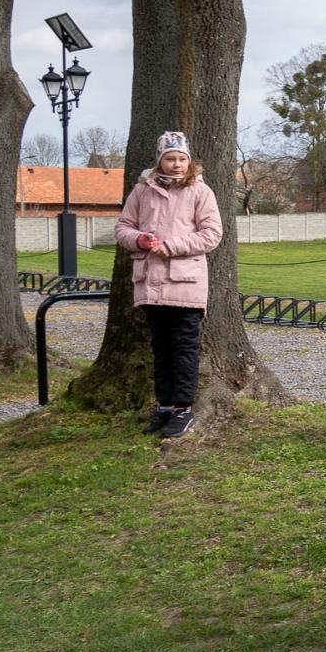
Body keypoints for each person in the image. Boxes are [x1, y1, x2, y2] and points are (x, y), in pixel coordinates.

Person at [113, 130, 222, 439]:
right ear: (159, 161)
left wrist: (171, 245)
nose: (176, 165)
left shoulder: (201, 192)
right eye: (170, 159)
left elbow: (212, 234)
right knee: (159, 348)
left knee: (184, 348)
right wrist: (139, 239)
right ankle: (164, 405)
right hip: (150, 284)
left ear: (190, 162)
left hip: (185, 282)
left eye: (182, 159)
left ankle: (183, 408)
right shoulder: (142, 191)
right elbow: (122, 227)